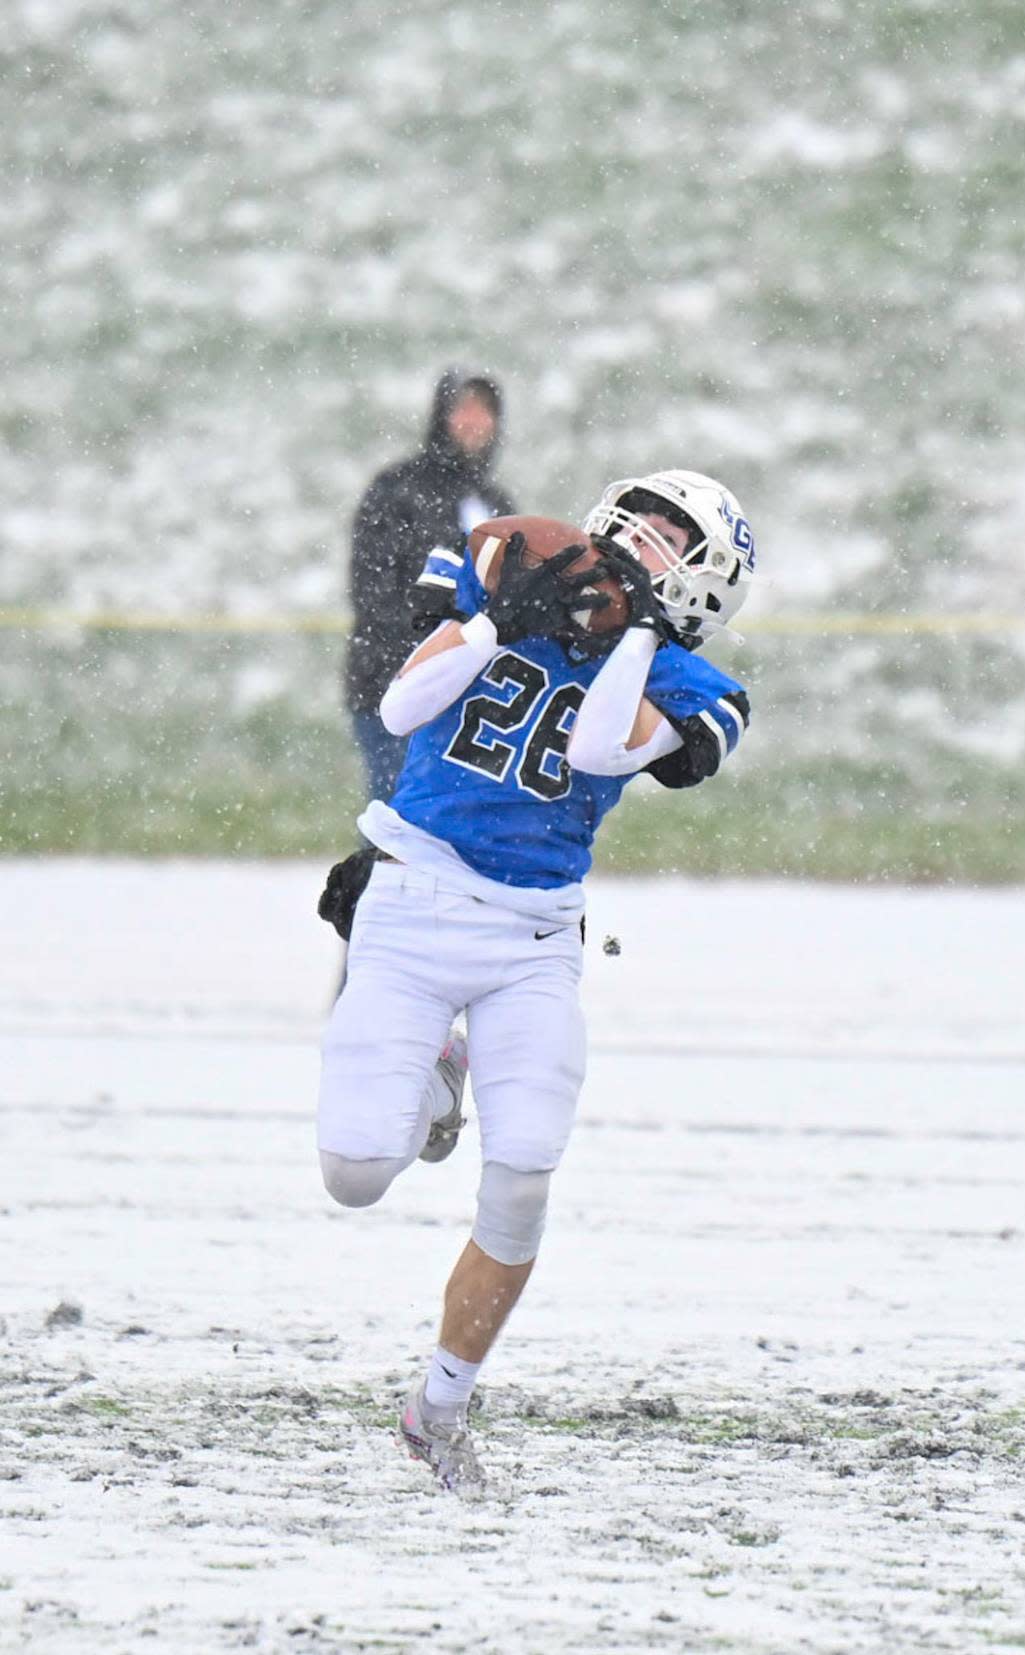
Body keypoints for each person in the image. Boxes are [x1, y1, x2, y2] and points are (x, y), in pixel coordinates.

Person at [317, 469, 755, 1492]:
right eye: (639, 523)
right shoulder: (505, 569)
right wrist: (495, 624)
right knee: (355, 1175)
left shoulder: (697, 685)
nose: (643, 543)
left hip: (533, 936)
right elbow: (400, 698)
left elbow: (600, 740)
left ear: (707, 581)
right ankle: (438, 1061)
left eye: (670, 538)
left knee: (521, 1173)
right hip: (413, 897)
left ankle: (439, 1407)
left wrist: (635, 634)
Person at [345, 367, 516, 803]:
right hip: (396, 683)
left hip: (470, 696)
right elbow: (372, 591)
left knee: (452, 829)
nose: (475, 421)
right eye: (464, 409)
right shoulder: (397, 490)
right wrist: (433, 649)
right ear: (441, 416)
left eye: (485, 411)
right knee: (397, 819)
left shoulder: (497, 504)